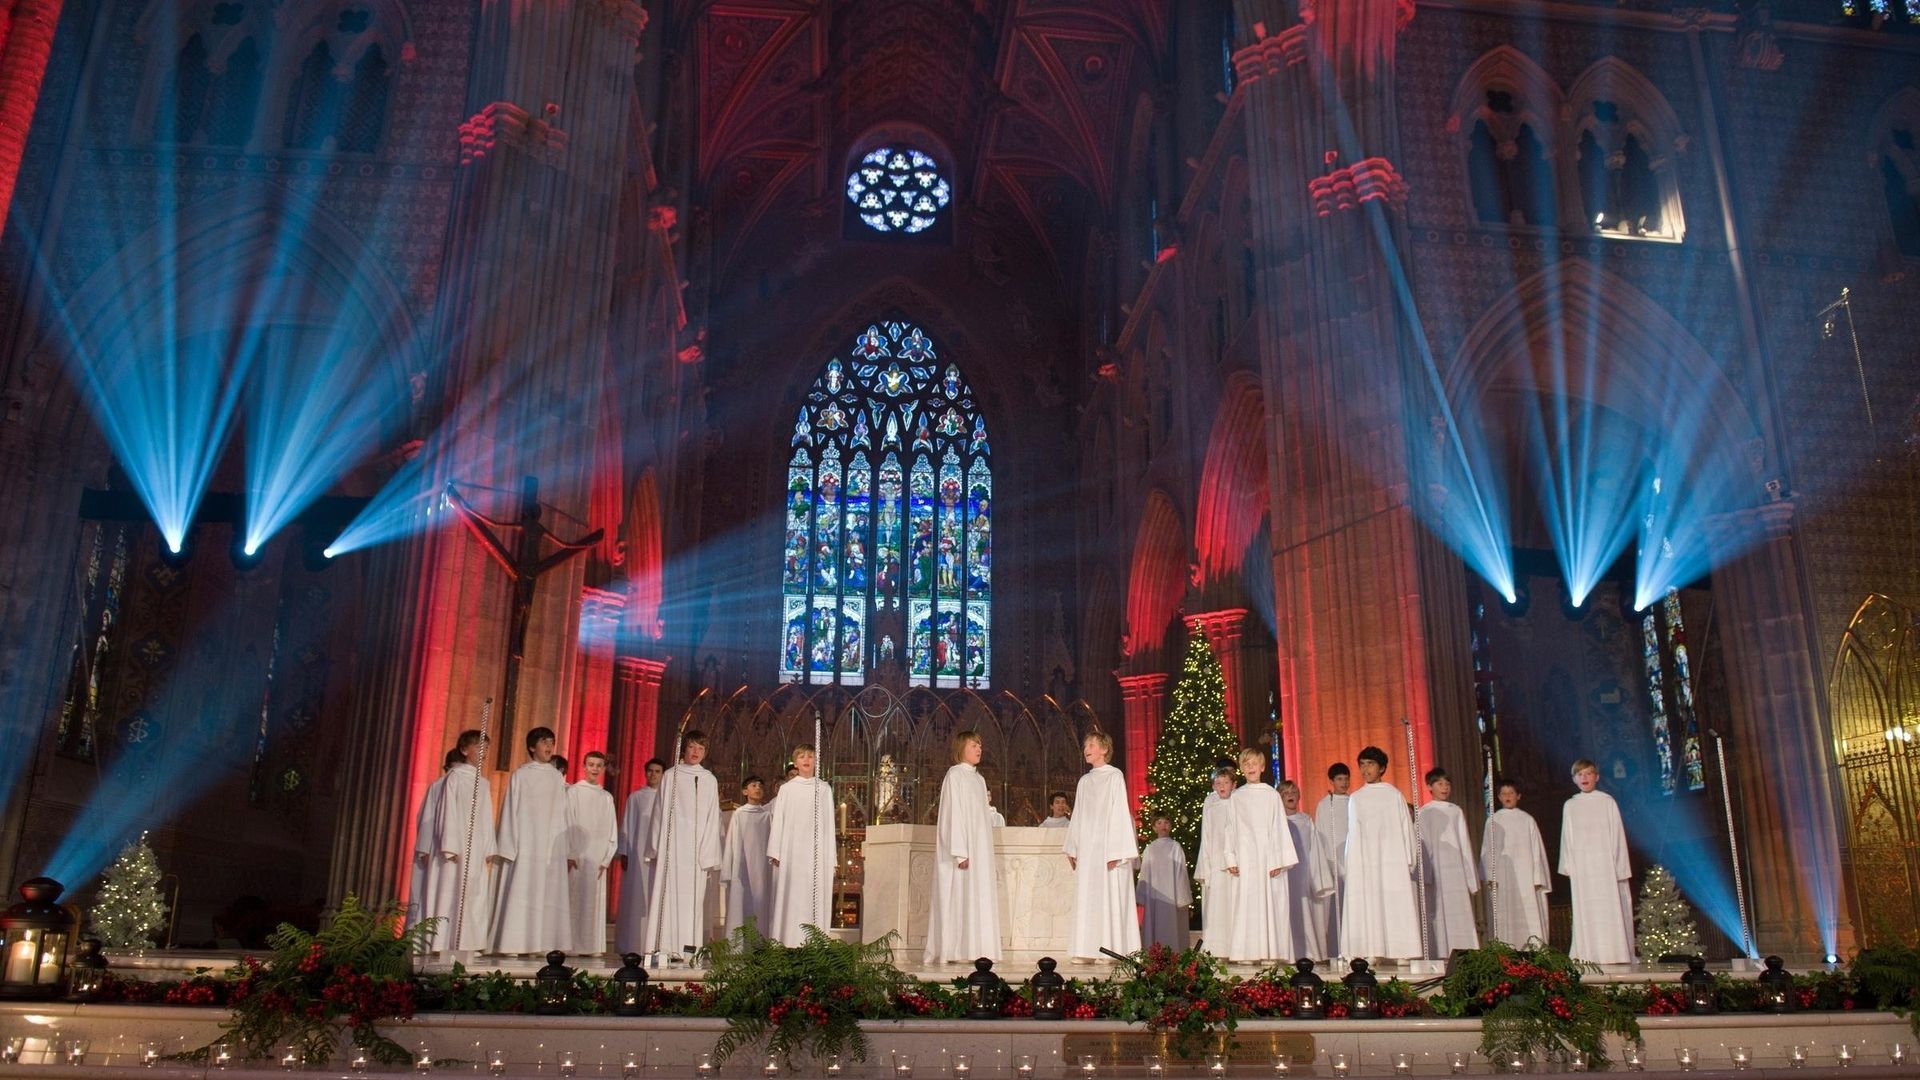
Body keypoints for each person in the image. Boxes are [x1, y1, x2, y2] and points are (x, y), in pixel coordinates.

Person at [490, 727, 570, 955]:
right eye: (544, 742)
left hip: (548, 844)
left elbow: (561, 813)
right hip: (525, 841)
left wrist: (560, 846)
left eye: (552, 743)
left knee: (546, 893)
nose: (549, 747)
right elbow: (510, 809)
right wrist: (508, 843)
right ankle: (514, 943)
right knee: (523, 889)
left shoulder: (556, 777)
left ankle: (541, 944)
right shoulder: (521, 775)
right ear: (532, 746)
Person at [925, 729, 1001, 964]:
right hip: (961, 851)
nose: (979, 749)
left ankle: (976, 948)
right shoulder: (955, 775)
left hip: (979, 850)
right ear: (961, 749)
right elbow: (952, 813)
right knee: (959, 897)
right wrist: (960, 851)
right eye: (973, 745)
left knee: (977, 898)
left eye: (980, 745)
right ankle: (955, 950)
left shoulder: (979, 779)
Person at [645, 731, 723, 957]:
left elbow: (712, 818)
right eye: (692, 747)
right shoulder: (671, 776)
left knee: (692, 902)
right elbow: (659, 813)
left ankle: (688, 949)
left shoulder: (708, 779)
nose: (696, 752)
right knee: (668, 897)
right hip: (674, 849)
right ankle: (664, 946)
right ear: (684, 749)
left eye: (700, 748)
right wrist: (656, 848)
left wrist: (708, 855)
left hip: (696, 851)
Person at [1063, 732, 1140, 960]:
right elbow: (1078, 815)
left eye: (1092, 744)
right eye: (1085, 744)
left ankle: (1110, 949)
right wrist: (1073, 846)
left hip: (1107, 849)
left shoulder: (1114, 776)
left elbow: (1119, 813)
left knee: (1107, 897)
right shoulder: (1085, 781)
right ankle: (1086, 949)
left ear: (1104, 749)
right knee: (1088, 898)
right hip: (1088, 850)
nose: (1086, 748)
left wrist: (1116, 850)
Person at [1340, 746, 1420, 961]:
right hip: (1364, 861)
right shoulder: (1356, 798)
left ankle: (1401, 951)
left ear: (1382, 768)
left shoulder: (1394, 795)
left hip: (1391, 859)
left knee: (1394, 902)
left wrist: (1409, 858)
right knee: (1369, 904)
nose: (1365, 769)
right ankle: (1370, 950)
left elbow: (1406, 828)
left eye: (1371, 764)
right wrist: (1350, 862)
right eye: (1362, 764)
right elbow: (1353, 832)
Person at [416, 734, 494, 952]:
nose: (483, 752)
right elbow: (446, 812)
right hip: (454, 845)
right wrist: (449, 844)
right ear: (464, 750)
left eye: (486, 748)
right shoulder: (454, 778)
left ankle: (469, 942)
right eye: (479, 746)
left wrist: (488, 847)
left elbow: (486, 816)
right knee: (449, 892)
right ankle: (441, 941)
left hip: (475, 846)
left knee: (473, 893)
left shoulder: (484, 783)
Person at [1226, 747, 1298, 963]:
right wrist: (1231, 858)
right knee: (1246, 904)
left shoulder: (1271, 795)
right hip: (1246, 859)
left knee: (1271, 904)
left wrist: (1278, 860)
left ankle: (1271, 952)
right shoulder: (1236, 797)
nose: (1250, 767)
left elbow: (1279, 828)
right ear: (1241, 768)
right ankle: (1247, 952)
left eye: (1254, 763)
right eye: (1246, 764)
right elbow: (1230, 828)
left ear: (1262, 767)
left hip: (1268, 859)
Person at [1560, 758, 1634, 964]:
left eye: (1588, 773)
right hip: (1583, 868)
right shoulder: (1570, 805)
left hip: (1605, 867)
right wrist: (1569, 866)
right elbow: (1567, 838)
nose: (1584, 778)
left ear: (1597, 777)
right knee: (1587, 910)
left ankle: (1614, 952)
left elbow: (1617, 836)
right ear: (1574, 779)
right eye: (1579, 774)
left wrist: (1619, 866)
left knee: (1609, 908)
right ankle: (1588, 953)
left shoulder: (1607, 802)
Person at [767, 744, 836, 944]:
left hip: (816, 855)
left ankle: (814, 943)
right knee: (791, 898)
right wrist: (776, 851)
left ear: (817, 761)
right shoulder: (787, 789)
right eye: (802, 756)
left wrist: (831, 857)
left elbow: (829, 825)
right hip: (791, 853)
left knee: (812, 897)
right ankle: (788, 941)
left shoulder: (823, 789)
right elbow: (778, 819)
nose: (807, 760)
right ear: (795, 762)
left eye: (811, 756)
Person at [1416, 768, 1479, 957]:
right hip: (1435, 871)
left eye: (1447, 784)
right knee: (1437, 913)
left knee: (1458, 911)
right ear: (1429, 786)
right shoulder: (1423, 813)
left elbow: (1464, 843)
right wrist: (1424, 874)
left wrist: (1470, 878)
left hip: (1456, 871)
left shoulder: (1456, 811)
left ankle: (1465, 952)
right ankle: (1440, 953)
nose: (1444, 788)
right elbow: (1420, 844)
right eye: (1440, 784)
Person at [1482, 778, 1551, 948]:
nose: (1507, 796)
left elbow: (1536, 850)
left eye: (1511, 793)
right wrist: (1490, 875)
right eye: (1503, 793)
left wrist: (1537, 877)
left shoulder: (1527, 820)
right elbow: (1487, 850)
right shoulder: (1493, 821)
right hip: (1503, 878)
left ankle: (1533, 951)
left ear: (1518, 796)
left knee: (1529, 913)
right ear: (1498, 797)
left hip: (1526, 876)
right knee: (1505, 915)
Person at [562, 751, 617, 955]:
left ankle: (592, 946)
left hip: (598, 857)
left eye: (599, 765)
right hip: (578, 855)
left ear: (603, 769)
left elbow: (612, 830)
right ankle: (571, 946)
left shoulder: (606, 797)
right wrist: (571, 852)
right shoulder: (574, 792)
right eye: (591, 764)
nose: (594, 768)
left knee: (593, 902)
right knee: (575, 900)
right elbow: (568, 822)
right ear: (584, 766)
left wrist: (607, 858)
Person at [613, 759, 666, 953]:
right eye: (650, 771)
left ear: (663, 774)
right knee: (636, 898)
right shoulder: (635, 797)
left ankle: (654, 945)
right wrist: (624, 852)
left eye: (657, 771)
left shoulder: (667, 799)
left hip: (658, 858)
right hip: (638, 857)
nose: (653, 774)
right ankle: (632, 944)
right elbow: (627, 825)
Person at [1278, 779, 1335, 960]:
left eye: (1293, 792)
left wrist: (1317, 878)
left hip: (1302, 875)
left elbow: (1315, 850)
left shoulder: (1306, 821)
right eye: (1286, 793)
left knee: (1305, 911)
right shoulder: (1277, 822)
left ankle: (1308, 953)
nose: (1290, 796)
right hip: (1284, 876)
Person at [722, 776, 774, 936]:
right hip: (741, 867)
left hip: (762, 869)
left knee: (760, 905)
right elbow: (731, 841)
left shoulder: (767, 816)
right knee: (740, 903)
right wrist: (728, 869)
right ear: (745, 791)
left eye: (760, 786)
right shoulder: (739, 814)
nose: (758, 788)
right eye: (753, 785)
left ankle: (760, 943)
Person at [1194, 768, 1238, 953]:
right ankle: (1218, 950)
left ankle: (1236, 947)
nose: (1222, 787)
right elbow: (1207, 836)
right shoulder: (1210, 805)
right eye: (1218, 783)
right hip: (1216, 863)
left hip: (1235, 865)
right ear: (1213, 786)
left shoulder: (1239, 803)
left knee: (1234, 906)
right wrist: (1206, 865)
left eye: (1226, 782)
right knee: (1217, 907)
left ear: (1234, 785)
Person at [1137, 814, 1190, 951]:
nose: (1163, 826)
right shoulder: (1150, 848)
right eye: (1159, 823)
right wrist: (1141, 896)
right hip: (1153, 896)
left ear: (1171, 826)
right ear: (1154, 827)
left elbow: (1181, 872)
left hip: (1172, 895)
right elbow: (1144, 872)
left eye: (1166, 822)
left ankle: (1173, 953)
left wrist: (1182, 897)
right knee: (1153, 924)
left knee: (1171, 925)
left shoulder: (1175, 847)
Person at [1314, 762, 1352, 952]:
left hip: (1352, 862)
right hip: (1332, 862)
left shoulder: (1354, 801)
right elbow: (1321, 833)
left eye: (1346, 779)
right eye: (1339, 779)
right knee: (1334, 910)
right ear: (1331, 781)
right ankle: (1335, 950)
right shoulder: (1324, 805)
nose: (1344, 783)